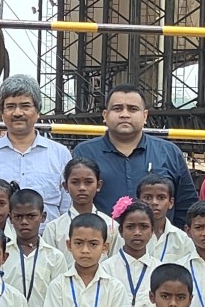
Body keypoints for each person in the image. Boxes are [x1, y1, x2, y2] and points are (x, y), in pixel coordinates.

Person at [70, 85, 197, 224]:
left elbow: (187, 206)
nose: (125, 114)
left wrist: (169, 239)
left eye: (133, 109)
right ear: (105, 115)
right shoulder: (84, 152)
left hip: (159, 243)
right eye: (117, 108)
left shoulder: (169, 153)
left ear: (145, 116)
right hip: (101, 241)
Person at [0, 75, 66, 227]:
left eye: (25, 106)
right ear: (2, 113)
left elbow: (66, 209)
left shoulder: (60, 155)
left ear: (37, 111)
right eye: (10, 106)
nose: (17, 113)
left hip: (48, 245)